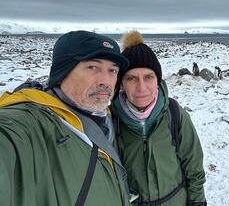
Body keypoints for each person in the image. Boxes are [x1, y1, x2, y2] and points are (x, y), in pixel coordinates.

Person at [0, 30, 132, 206]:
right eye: (93, 67)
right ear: (63, 72)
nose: (106, 81)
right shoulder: (31, 122)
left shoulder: (105, 120)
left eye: (113, 70)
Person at [112, 30, 207, 206]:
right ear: (122, 85)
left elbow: (193, 167)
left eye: (148, 77)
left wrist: (197, 202)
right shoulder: (112, 120)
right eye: (131, 78)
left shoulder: (174, 114)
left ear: (157, 81)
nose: (141, 88)